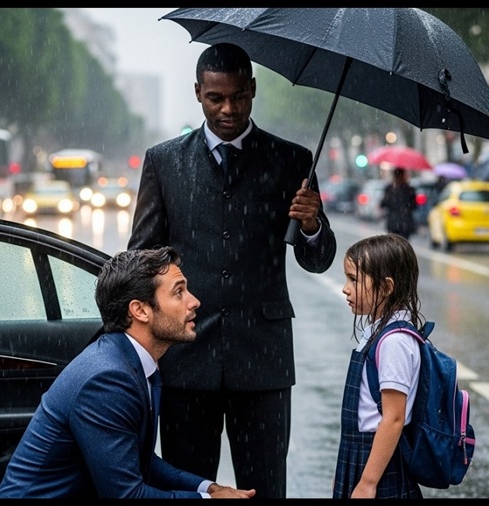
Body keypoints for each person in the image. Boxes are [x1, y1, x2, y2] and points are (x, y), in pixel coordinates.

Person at [127, 42, 337, 499]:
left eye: (239, 97)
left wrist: (312, 224)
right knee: (188, 487)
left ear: (253, 90)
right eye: (216, 98)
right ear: (198, 92)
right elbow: (141, 256)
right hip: (186, 357)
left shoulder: (294, 162)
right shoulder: (164, 162)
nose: (228, 109)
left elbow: (318, 259)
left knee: (265, 488)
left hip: (263, 360)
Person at [0, 246, 256, 499]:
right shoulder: (107, 379)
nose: (194, 301)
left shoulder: (132, 361)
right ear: (140, 310)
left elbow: (139, 459)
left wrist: (208, 488)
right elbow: (126, 494)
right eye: (179, 292)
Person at [333, 233, 424, 499]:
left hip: (378, 460)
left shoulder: (394, 341)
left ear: (386, 287)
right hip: (361, 453)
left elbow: (394, 418)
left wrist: (368, 482)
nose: (345, 288)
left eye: (353, 280)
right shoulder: (377, 332)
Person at [380, 167, 418, 239]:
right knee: (403, 246)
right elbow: (414, 206)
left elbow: (383, 203)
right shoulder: (409, 189)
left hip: (393, 222)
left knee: (394, 246)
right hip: (405, 222)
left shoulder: (390, 188)